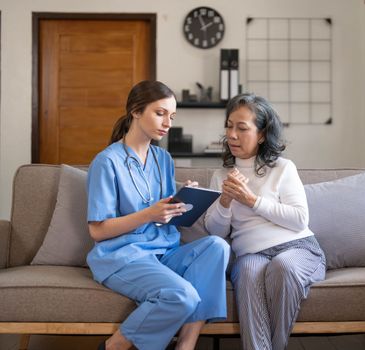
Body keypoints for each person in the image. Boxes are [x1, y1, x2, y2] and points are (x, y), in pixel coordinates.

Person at [86, 80, 230, 350]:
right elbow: (97, 230)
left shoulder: (163, 159)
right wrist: (148, 214)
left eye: (172, 116)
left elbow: (165, 215)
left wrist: (182, 200)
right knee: (182, 295)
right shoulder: (106, 162)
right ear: (136, 111)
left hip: (164, 252)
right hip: (123, 258)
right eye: (160, 113)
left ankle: (186, 345)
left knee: (217, 246)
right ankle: (114, 345)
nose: (168, 123)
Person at [204, 93, 326, 350]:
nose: (232, 135)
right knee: (247, 271)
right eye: (229, 126)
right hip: (250, 254)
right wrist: (225, 201)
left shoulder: (283, 168)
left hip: (297, 247)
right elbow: (215, 231)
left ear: (261, 134)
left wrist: (252, 200)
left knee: (283, 266)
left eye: (242, 128)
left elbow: (299, 219)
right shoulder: (221, 175)